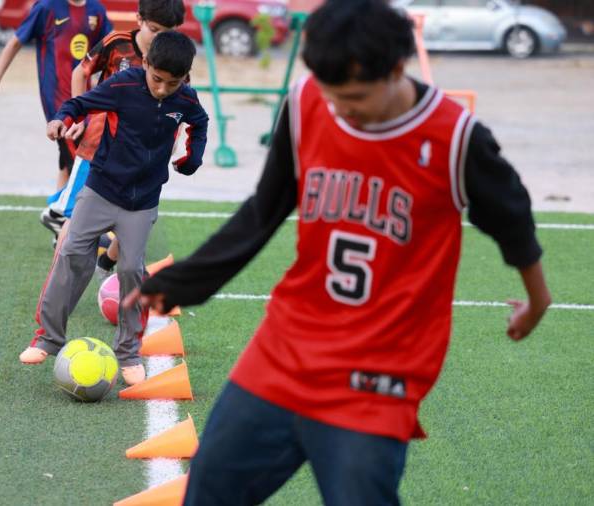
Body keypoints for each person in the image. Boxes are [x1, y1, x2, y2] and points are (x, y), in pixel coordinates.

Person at [124, 0, 551, 504]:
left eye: (353, 97)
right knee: (209, 494)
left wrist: (537, 299)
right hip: (285, 349)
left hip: (380, 374)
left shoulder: (455, 138)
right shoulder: (307, 104)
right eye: (332, 94)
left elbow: (513, 216)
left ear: (396, 69)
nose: (341, 109)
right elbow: (264, 209)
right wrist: (185, 280)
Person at [20, 31, 209, 386]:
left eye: (172, 83)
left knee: (131, 271)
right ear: (147, 65)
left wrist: (191, 157)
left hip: (142, 202)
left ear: (184, 78)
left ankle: (128, 354)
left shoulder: (184, 98)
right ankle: (47, 338)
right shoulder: (124, 85)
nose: (162, 89)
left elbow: (200, 123)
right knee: (73, 252)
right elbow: (81, 103)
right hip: (102, 189)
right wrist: (60, 118)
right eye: (157, 79)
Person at [41, 0, 187, 272]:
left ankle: (105, 266)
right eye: (154, 29)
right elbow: (80, 72)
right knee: (74, 219)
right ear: (139, 19)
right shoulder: (117, 43)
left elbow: (180, 105)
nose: (159, 37)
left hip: (141, 155)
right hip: (97, 147)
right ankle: (56, 283)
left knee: (135, 220)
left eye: (167, 31)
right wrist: (80, 116)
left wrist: (173, 141)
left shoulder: (174, 59)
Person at [0, 0, 112, 232]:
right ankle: (60, 215)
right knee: (85, 162)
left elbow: (112, 51)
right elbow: (14, 43)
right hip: (59, 106)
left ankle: (59, 220)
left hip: (84, 102)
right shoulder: (47, 8)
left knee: (69, 162)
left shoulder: (96, 11)